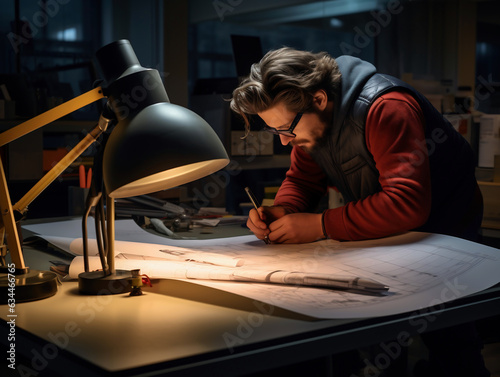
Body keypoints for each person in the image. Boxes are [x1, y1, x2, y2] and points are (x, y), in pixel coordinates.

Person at [230, 48, 489, 377]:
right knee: (378, 334)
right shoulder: (310, 126)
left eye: (287, 129)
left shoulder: (385, 106)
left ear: (319, 99)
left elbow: (406, 202)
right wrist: (283, 210)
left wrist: (320, 225)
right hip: (388, 230)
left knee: (449, 340)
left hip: (446, 230)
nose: (284, 142)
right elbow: (302, 179)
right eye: (275, 131)